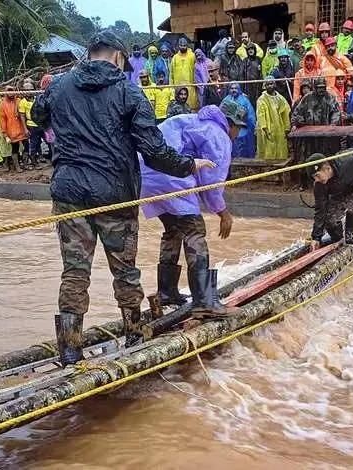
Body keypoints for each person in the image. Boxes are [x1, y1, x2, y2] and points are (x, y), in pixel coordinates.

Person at [31, 29, 215, 364]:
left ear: (89, 54)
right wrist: (189, 165)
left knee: (74, 271)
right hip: (114, 193)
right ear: (118, 56)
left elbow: (36, 115)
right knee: (124, 269)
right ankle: (134, 336)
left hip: (69, 191)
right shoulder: (129, 92)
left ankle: (70, 350)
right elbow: (155, 151)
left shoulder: (58, 86)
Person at [140, 101, 244, 317]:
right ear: (231, 125)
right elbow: (212, 183)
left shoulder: (193, 121)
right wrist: (223, 214)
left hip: (146, 174)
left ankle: (167, 291)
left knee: (173, 229)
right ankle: (204, 300)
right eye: (239, 128)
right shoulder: (219, 135)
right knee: (194, 231)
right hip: (170, 174)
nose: (238, 133)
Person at [306, 150, 353, 247]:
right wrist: (316, 237)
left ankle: (350, 234)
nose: (316, 180)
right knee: (329, 218)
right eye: (314, 177)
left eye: (317, 176)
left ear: (327, 169)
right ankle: (337, 238)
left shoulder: (345, 160)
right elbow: (320, 210)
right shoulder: (319, 185)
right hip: (344, 189)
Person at [256, 76, 290, 160]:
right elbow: (261, 115)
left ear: (274, 84)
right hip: (267, 130)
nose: (269, 86)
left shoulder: (281, 99)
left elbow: (286, 114)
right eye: (267, 84)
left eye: (271, 84)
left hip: (279, 130)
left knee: (280, 151)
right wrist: (265, 129)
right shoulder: (261, 100)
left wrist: (286, 128)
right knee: (268, 152)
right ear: (265, 86)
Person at [221, 83, 256, 158]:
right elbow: (221, 114)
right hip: (229, 129)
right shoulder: (226, 99)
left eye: (235, 88)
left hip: (243, 128)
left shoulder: (245, 100)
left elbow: (251, 115)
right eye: (232, 88)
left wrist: (251, 126)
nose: (234, 90)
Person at [0, 85, 28, 171]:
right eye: (9, 91)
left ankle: (24, 163)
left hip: (21, 128)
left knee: (26, 146)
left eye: (12, 91)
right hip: (11, 130)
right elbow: (2, 120)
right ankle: (17, 166)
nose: (11, 93)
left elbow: (24, 113)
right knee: (14, 148)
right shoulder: (3, 104)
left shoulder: (19, 101)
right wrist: (5, 134)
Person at [18, 82, 42, 168]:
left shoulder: (37, 98)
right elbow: (22, 116)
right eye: (27, 90)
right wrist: (25, 129)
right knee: (34, 143)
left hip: (41, 123)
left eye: (31, 90)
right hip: (31, 124)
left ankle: (42, 157)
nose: (29, 92)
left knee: (46, 141)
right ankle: (33, 161)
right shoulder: (23, 102)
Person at [171, 38, 198, 111]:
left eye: (184, 45)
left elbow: (197, 70)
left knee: (191, 108)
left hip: (190, 86)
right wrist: (171, 87)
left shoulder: (192, 56)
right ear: (178, 46)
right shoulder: (175, 58)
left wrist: (196, 81)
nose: (183, 47)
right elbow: (171, 73)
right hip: (178, 87)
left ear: (187, 45)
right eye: (181, 45)